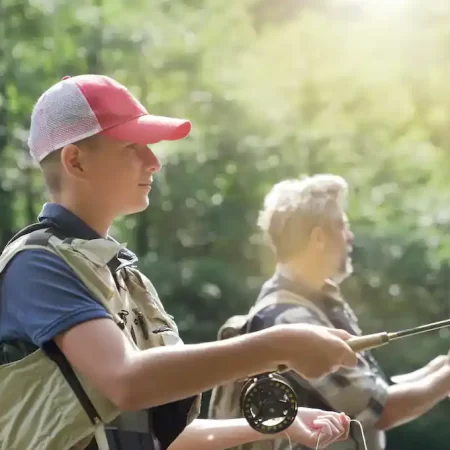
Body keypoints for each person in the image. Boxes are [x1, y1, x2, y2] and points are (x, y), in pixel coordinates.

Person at [0, 75, 359, 450]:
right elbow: (128, 382)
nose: (153, 162)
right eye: (133, 147)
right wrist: (279, 346)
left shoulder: (121, 275)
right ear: (76, 161)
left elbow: (160, 434)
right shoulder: (37, 265)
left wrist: (273, 425)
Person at [208, 175, 450, 450]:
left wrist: (440, 368)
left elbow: (373, 388)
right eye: (343, 225)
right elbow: (381, 409)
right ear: (319, 237)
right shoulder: (288, 316)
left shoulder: (311, 304)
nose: (350, 236)